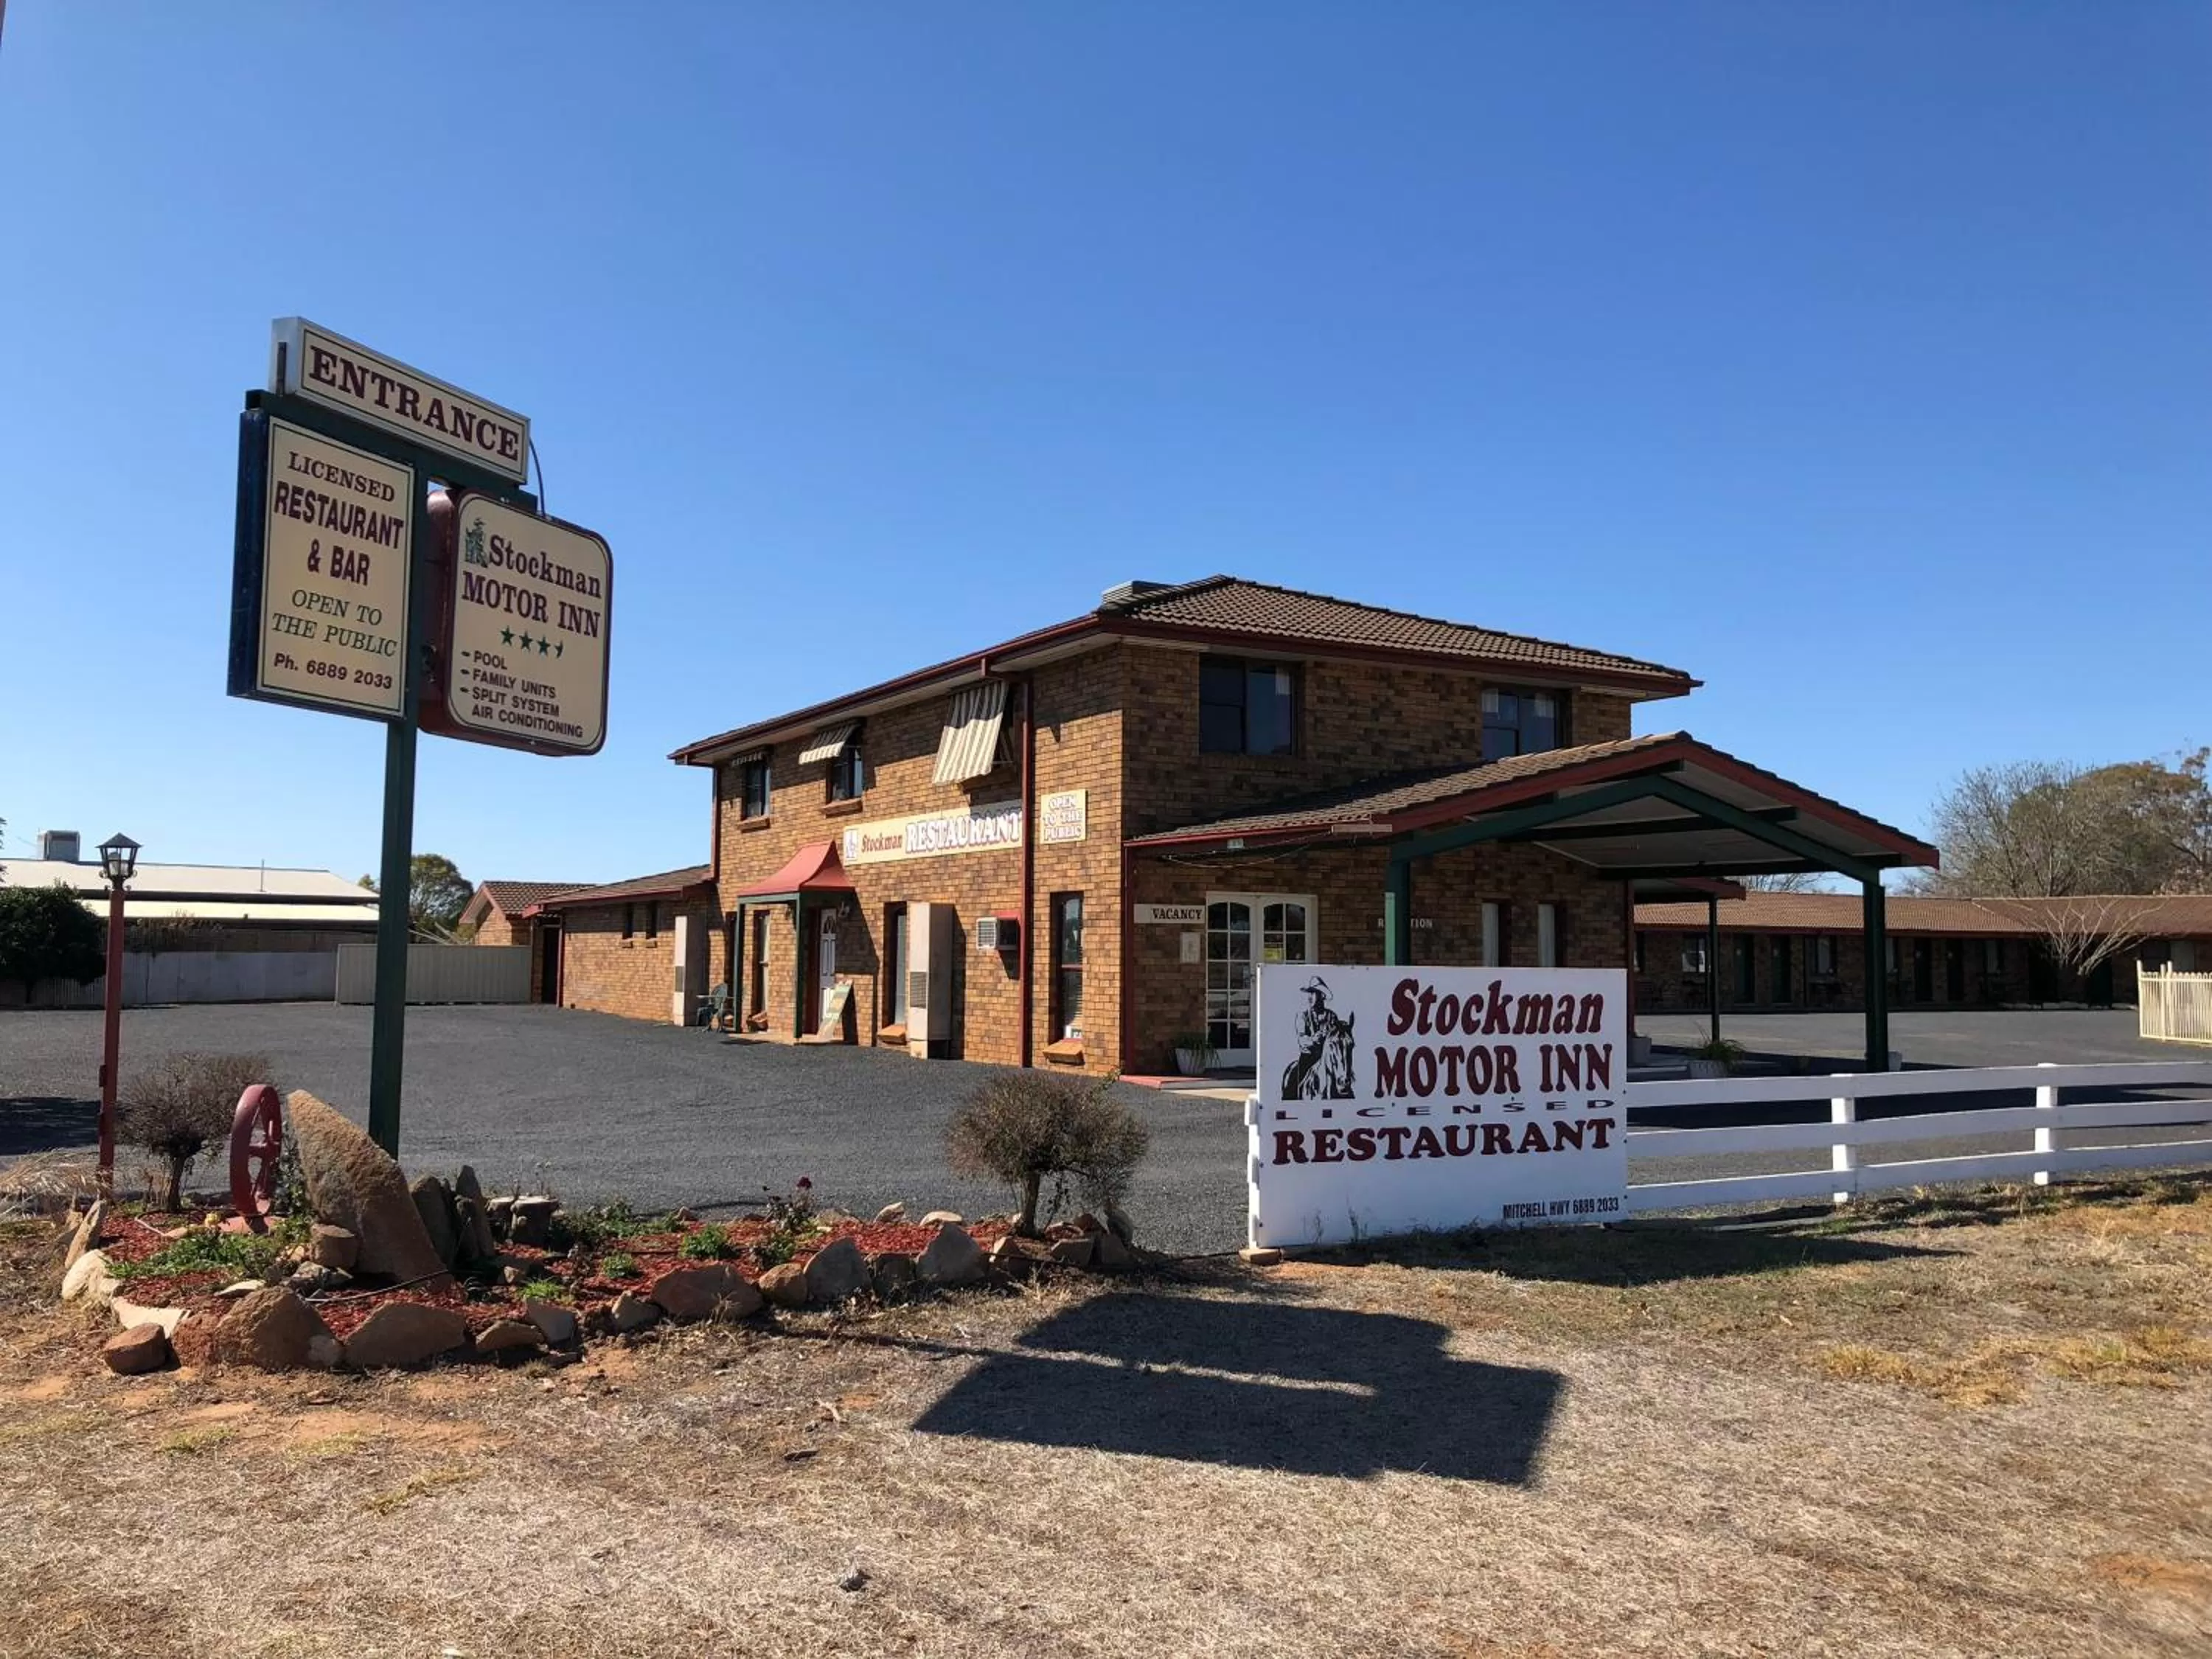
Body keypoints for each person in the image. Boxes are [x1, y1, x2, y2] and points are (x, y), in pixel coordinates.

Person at [1281, 975, 1355, 1099]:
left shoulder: (1332, 1016)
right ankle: (1290, 1099)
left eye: (1313, 993)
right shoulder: (1302, 1016)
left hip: (1327, 1057)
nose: (1310, 997)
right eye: (1309, 993)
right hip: (1308, 1057)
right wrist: (1315, 1039)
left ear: (1322, 996)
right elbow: (1302, 1039)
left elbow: (1337, 1038)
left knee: (1343, 1075)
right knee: (1294, 1078)